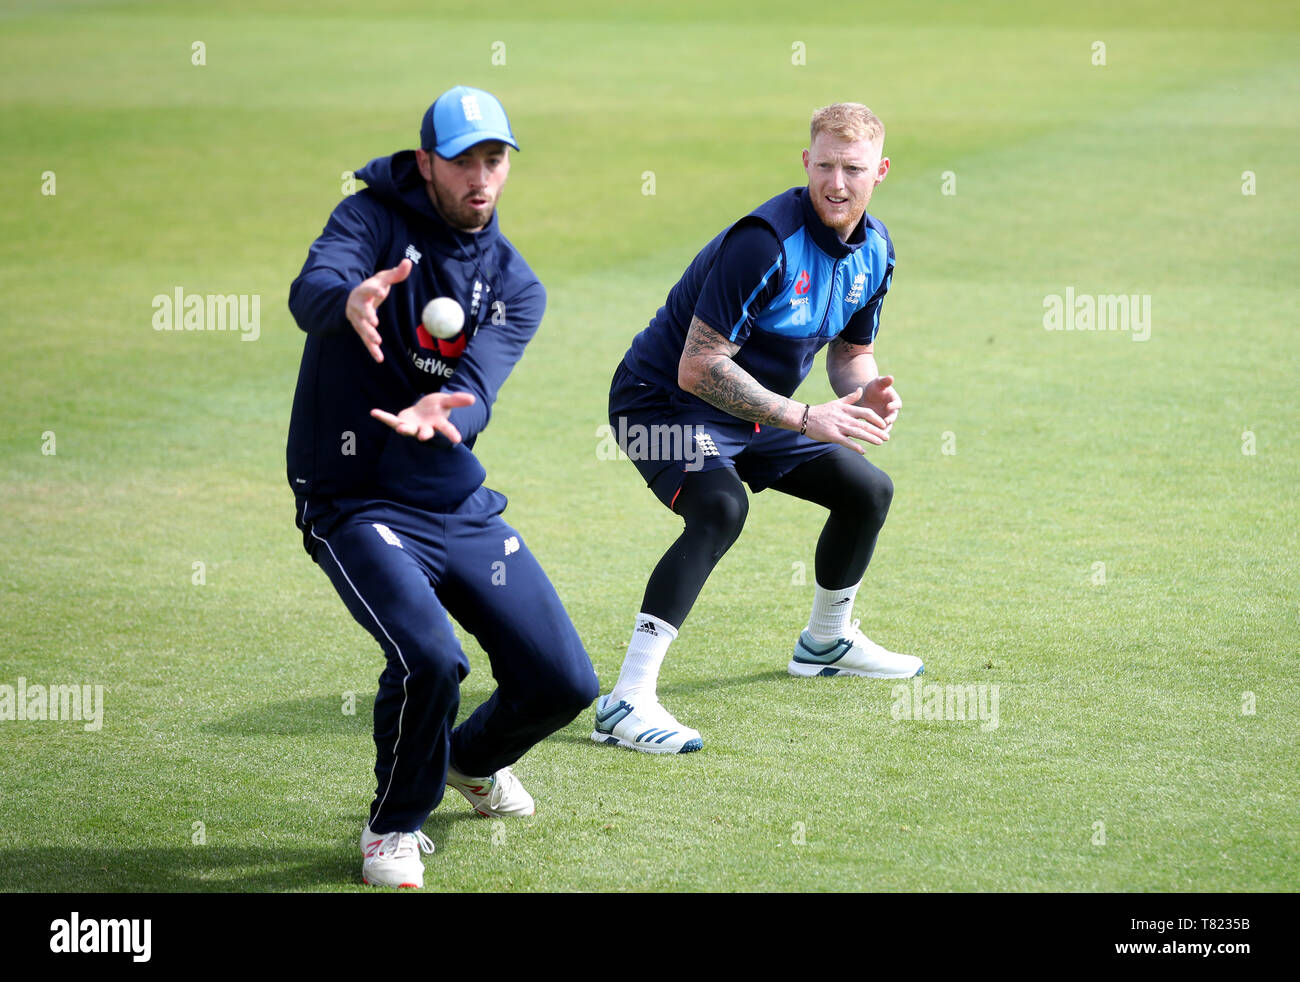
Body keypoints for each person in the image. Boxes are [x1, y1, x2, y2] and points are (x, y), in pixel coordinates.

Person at [286, 85, 598, 887]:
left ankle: (468, 762)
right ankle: (394, 825)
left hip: (452, 499)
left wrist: (450, 413)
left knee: (564, 681)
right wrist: (347, 297)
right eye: (462, 161)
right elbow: (310, 288)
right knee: (431, 657)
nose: (481, 178)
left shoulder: (516, 284)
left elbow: (480, 384)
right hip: (353, 498)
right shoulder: (367, 220)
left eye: (495, 160)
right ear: (426, 162)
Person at [593, 102, 923, 756]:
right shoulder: (764, 242)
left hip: (747, 409)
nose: (836, 182)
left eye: (853, 169)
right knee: (719, 507)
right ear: (806, 162)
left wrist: (867, 394)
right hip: (657, 402)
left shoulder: (875, 250)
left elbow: (849, 353)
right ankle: (626, 701)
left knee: (867, 490)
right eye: (824, 165)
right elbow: (697, 366)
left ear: (879, 172)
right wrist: (805, 416)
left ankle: (826, 641)